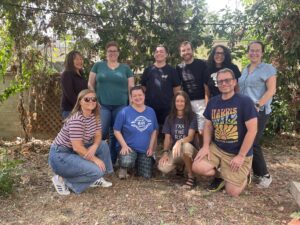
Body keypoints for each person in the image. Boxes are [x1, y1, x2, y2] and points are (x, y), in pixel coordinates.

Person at [192, 68, 258, 197]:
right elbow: (208, 125)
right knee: (198, 166)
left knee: (232, 192)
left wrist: (241, 156)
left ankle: (245, 174)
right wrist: (205, 146)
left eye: (227, 80)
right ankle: (225, 172)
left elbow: (252, 130)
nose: (223, 83)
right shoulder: (213, 102)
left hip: (237, 152)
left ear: (234, 82)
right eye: (220, 81)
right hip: (218, 148)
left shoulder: (245, 102)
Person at [49, 89, 113, 195]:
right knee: (98, 170)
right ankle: (62, 179)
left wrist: (95, 145)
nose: (91, 101)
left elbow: (98, 135)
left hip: (73, 151)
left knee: (102, 145)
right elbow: (77, 147)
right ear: (80, 102)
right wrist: (95, 159)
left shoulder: (95, 116)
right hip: (61, 156)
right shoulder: (77, 120)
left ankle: (94, 177)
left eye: (94, 99)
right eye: (87, 99)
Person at [88, 41, 134, 165]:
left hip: (121, 106)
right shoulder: (98, 66)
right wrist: (94, 100)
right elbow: (90, 84)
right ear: (106, 53)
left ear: (118, 53)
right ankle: (96, 160)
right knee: (101, 132)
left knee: (116, 133)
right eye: (110, 51)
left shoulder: (125, 68)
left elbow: (131, 87)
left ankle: (113, 161)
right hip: (102, 105)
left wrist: (131, 105)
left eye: (115, 51)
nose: (112, 53)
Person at [239, 41, 277, 188]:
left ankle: (265, 175)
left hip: (258, 111)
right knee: (245, 141)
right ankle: (252, 172)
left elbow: (271, 90)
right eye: (251, 50)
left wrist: (258, 104)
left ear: (262, 53)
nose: (254, 53)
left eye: (257, 51)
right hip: (244, 112)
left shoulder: (268, 69)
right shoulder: (245, 69)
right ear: (248, 52)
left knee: (253, 142)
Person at [204, 45, 242, 192]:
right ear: (212, 54)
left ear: (225, 54)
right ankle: (218, 176)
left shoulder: (232, 67)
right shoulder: (207, 69)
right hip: (214, 107)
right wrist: (208, 108)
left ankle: (236, 171)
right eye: (216, 53)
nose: (218, 55)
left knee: (230, 136)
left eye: (221, 53)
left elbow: (236, 88)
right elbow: (206, 90)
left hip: (230, 107)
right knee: (214, 138)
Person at [113, 86, 158, 179]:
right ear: (131, 98)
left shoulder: (151, 111)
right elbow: (116, 130)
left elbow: (154, 130)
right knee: (127, 161)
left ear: (144, 95)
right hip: (129, 148)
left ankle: (136, 165)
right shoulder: (124, 112)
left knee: (146, 176)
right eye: (135, 96)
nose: (138, 98)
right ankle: (123, 166)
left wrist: (151, 148)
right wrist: (124, 146)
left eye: (140, 95)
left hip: (144, 150)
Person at [158, 91, 198, 189]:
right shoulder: (169, 118)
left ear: (186, 103)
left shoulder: (192, 116)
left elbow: (190, 137)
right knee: (163, 167)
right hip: (176, 151)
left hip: (191, 150)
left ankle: (191, 177)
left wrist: (179, 141)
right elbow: (167, 138)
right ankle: (181, 166)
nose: (179, 103)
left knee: (186, 146)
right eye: (177, 101)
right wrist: (165, 153)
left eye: (182, 101)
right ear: (174, 103)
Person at [141, 44, 181, 127]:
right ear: (154, 54)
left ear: (166, 54)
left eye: (161, 51)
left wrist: (176, 106)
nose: (159, 53)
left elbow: (177, 91)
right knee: (152, 132)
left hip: (168, 108)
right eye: (157, 52)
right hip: (150, 108)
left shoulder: (172, 71)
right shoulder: (148, 70)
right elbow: (143, 88)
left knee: (167, 134)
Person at [176, 41, 207, 135]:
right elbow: (179, 86)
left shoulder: (202, 64)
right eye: (183, 50)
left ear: (192, 50)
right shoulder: (179, 67)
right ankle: (191, 148)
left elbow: (206, 84)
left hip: (201, 101)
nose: (186, 52)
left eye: (188, 49)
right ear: (180, 53)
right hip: (187, 102)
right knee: (190, 129)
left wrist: (207, 101)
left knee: (202, 129)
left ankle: (203, 149)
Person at [61, 50, 87, 119]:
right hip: (70, 111)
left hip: (81, 109)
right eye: (77, 59)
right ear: (70, 61)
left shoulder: (81, 74)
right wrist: (83, 105)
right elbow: (70, 95)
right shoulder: (67, 74)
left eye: (81, 59)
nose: (80, 61)